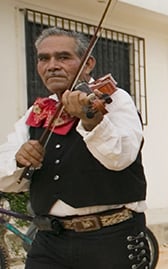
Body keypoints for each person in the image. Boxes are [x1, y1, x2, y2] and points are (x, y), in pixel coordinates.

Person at [0, 27, 155, 268]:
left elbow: (120, 157)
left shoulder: (114, 100)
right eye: (44, 58)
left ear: (88, 63)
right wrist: (19, 160)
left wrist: (92, 122)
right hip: (49, 242)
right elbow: (4, 177)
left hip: (110, 240)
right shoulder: (37, 113)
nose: (52, 65)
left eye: (63, 57)